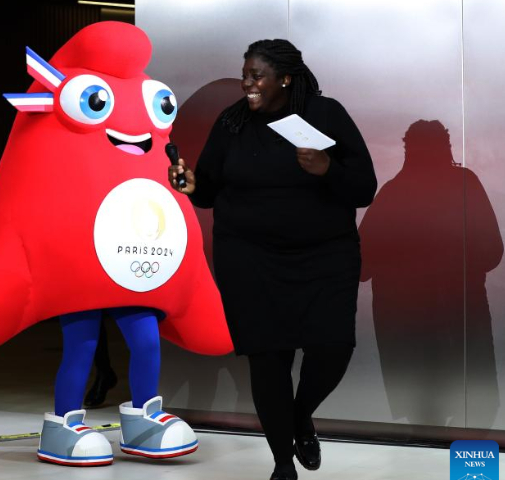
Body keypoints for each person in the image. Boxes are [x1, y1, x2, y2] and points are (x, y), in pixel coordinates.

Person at [169, 39, 376, 480]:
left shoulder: (325, 114)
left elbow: (364, 189)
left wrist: (327, 170)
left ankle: (300, 415)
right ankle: (284, 463)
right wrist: (190, 184)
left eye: (256, 75)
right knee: (267, 359)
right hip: (249, 259)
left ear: (285, 77)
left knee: (333, 349)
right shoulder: (233, 123)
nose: (247, 83)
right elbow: (207, 189)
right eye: (245, 74)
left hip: (325, 256)